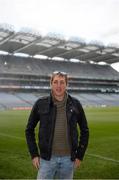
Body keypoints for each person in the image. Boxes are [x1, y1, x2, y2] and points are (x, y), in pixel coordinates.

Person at [25, 71, 89, 179]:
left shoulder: (76, 104)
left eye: (62, 82)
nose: (58, 86)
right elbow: (29, 130)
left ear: (66, 84)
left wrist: (80, 155)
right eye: (55, 82)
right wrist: (34, 154)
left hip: (68, 160)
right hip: (46, 159)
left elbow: (85, 130)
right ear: (51, 84)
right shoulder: (41, 103)